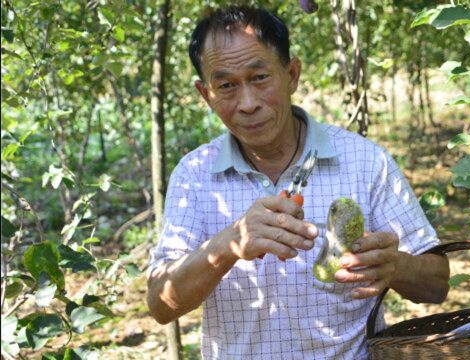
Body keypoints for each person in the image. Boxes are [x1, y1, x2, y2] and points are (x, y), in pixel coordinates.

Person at [146, 5, 449, 359]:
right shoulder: (194, 176)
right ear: (205, 94)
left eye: (260, 78)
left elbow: (437, 283)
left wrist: (396, 265)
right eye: (226, 85)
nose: (247, 103)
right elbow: (160, 303)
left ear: (292, 74)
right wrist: (230, 244)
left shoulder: (365, 162)